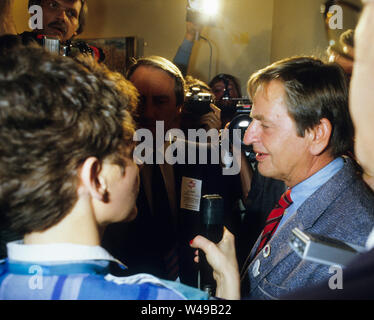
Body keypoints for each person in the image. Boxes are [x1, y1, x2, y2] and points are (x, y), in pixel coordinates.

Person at [0, 40, 239, 300]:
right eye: (128, 154)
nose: (136, 164)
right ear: (95, 178)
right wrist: (228, 282)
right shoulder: (158, 298)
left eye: (160, 101)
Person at [236, 55, 374, 299]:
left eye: (265, 125)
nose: (248, 138)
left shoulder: (353, 235)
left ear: (317, 134)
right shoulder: (289, 188)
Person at [0, 0, 87, 43]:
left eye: (71, 13)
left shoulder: (91, 58)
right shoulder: (9, 48)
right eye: (53, 5)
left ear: (77, 28)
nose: (62, 17)